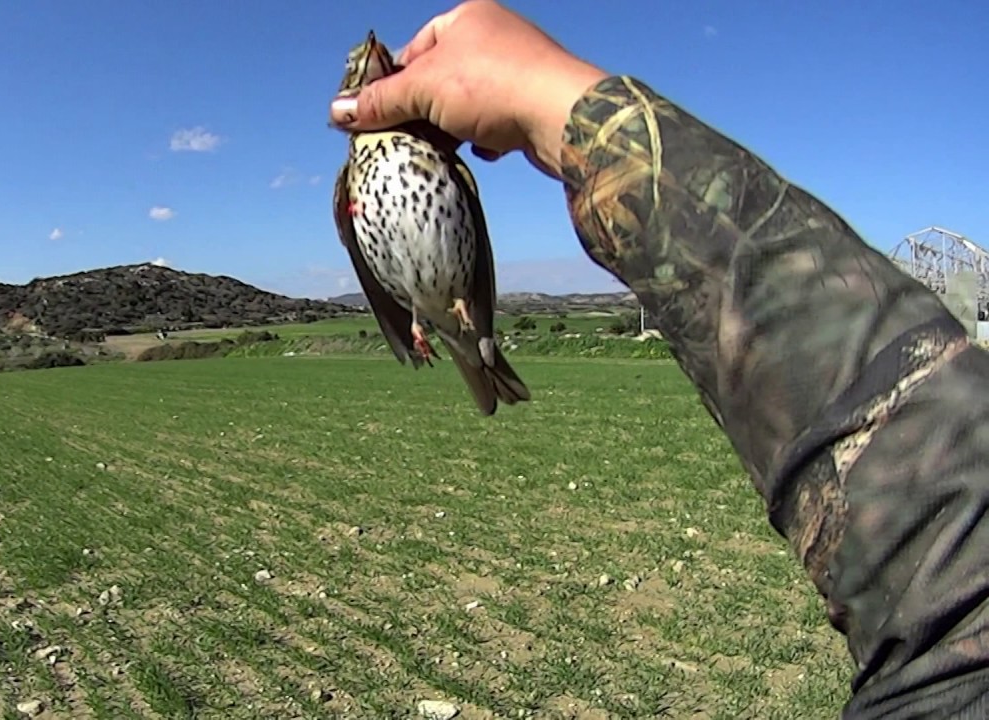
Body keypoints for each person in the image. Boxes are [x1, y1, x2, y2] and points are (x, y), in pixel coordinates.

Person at [329, 2, 989, 718]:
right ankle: (470, 358)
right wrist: (554, 100)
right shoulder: (350, 185)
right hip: (430, 304)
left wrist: (553, 108)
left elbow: (949, 548)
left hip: (460, 300)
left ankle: (480, 359)